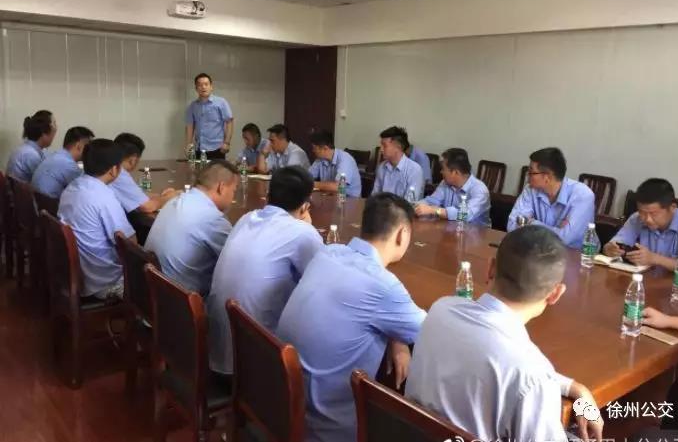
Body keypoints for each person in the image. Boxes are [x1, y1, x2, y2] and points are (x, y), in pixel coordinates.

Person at [405, 226, 603, 442]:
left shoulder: (441, 310)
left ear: (490, 268)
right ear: (555, 294)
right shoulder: (532, 373)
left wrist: (573, 387)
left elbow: (499, 365)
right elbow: (517, 373)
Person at [277, 193, 426, 442]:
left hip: (282, 403)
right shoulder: (384, 286)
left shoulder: (329, 252)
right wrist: (398, 331)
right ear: (402, 234)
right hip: (326, 426)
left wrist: (396, 335)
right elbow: (431, 333)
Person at [207, 166, 323, 375]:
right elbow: (322, 284)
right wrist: (308, 227)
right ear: (305, 206)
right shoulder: (302, 232)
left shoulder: (246, 218)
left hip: (216, 349)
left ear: (268, 196)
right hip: (254, 368)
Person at [144, 160, 237, 296]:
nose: (233, 197)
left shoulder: (174, 200)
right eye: (234, 191)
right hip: (179, 300)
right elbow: (239, 265)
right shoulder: (213, 219)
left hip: (150, 290)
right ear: (221, 187)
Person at [58, 139, 136, 299]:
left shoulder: (72, 187)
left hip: (75, 273)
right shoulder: (103, 197)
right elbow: (130, 244)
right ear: (114, 170)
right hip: (104, 282)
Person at [507, 147, 594, 248]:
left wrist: (531, 222)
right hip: (538, 251)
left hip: (577, 255)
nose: (527, 176)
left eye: (531, 172)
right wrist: (556, 231)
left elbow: (565, 239)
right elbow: (511, 225)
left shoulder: (582, 195)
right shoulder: (530, 189)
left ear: (547, 177)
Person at [603, 179, 678, 273]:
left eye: (654, 213)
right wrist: (610, 249)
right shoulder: (636, 218)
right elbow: (613, 244)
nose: (647, 219)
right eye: (642, 212)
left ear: (673, 207)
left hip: (677, 281)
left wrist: (655, 259)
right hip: (644, 278)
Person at [414, 147, 491, 225]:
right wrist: (415, 206)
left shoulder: (480, 190)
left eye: (443, 169)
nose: (441, 172)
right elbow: (432, 201)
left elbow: (465, 215)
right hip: (450, 228)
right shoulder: (445, 183)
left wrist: (436, 211)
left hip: (476, 231)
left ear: (455, 172)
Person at [111, 133, 178, 214]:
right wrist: (171, 197)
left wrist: (162, 196)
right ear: (133, 159)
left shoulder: (112, 169)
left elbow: (137, 195)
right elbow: (147, 207)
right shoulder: (119, 174)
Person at [31, 126, 94, 198]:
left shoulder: (56, 155)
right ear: (79, 145)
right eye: (88, 146)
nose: (90, 150)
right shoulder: (70, 166)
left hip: (39, 201)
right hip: (51, 203)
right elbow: (87, 191)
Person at [185, 73, 234, 160]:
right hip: (199, 148)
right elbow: (190, 125)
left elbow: (229, 122)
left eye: (206, 84)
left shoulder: (221, 102)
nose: (203, 87)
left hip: (217, 148)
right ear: (196, 88)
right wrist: (189, 145)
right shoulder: (193, 106)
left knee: (217, 169)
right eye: (200, 85)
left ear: (211, 87)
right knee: (198, 169)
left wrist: (227, 143)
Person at [371, 126, 424, 200]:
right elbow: (375, 196)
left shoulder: (414, 170)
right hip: (382, 206)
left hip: (403, 207)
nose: (381, 149)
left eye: (384, 145)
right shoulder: (382, 167)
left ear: (398, 147)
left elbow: (409, 203)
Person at [308, 130, 361, 198]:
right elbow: (307, 176)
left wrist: (312, 184)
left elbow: (338, 186)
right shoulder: (320, 159)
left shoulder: (345, 159)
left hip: (349, 199)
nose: (313, 151)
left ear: (325, 148)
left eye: (314, 148)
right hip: (330, 196)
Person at [5, 115, 56, 182]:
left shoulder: (27, 148)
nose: (55, 130)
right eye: (54, 124)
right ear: (43, 133)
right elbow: (44, 182)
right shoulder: (31, 154)